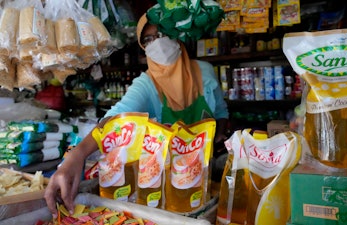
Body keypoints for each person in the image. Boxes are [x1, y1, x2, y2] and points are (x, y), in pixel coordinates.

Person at [44, 13, 229, 217]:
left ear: (176, 35)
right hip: (167, 186)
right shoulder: (147, 84)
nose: (157, 43)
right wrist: (76, 156)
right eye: (148, 40)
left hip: (202, 175)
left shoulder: (205, 72)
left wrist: (219, 135)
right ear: (143, 48)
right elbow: (112, 121)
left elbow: (221, 111)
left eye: (162, 33)